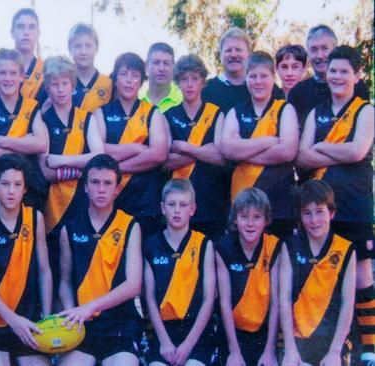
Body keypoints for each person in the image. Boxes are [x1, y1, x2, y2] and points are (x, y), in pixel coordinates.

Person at [296, 45, 375, 363]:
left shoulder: (365, 110)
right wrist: (338, 148)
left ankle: (369, 345)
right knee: (327, 275)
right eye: (333, 70)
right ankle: (336, 343)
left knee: (361, 275)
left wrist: (322, 145)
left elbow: (358, 152)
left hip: (355, 206)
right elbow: (301, 156)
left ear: (357, 75)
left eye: (345, 71)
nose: (338, 76)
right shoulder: (317, 111)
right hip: (321, 209)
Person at [57, 154, 143, 366]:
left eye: (107, 183)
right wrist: (73, 314)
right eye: (95, 182)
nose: (101, 189)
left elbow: (133, 285)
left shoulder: (130, 226)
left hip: (120, 323)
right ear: (85, 186)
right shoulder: (70, 227)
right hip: (84, 325)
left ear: (117, 189)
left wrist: (90, 307)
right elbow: (65, 282)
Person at [0, 154, 52, 366]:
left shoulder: (34, 218)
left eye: (17, 185)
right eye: (5, 184)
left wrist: (46, 319)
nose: (11, 191)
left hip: (28, 320)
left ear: (25, 189)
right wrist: (11, 319)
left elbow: (44, 270)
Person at [39, 56, 105, 299]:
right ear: (47, 87)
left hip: (82, 205)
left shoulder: (86, 118)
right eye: (54, 84)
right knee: (57, 272)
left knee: (81, 270)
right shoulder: (42, 119)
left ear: (73, 85)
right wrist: (80, 168)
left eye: (65, 83)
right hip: (53, 208)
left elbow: (98, 158)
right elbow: (45, 169)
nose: (60, 89)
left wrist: (62, 162)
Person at [221, 51, 298, 239]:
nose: (258, 81)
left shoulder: (284, 109)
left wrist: (244, 152)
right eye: (252, 76)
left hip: (278, 199)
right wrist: (269, 141)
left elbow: (287, 151)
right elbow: (228, 149)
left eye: (263, 76)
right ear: (246, 79)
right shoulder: (236, 111)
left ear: (273, 78)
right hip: (242, 199)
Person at [280, 179, 356, 366]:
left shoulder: (346, 249)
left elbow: (348, 303)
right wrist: (290, 349)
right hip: (298, 341)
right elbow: (284, 299)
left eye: (320, 212)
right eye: (307, 213)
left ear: (332, 212)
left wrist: (334, 352)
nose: (314, 221)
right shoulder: (290, 246)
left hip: (332, 341)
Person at [94, 52, 169, 236]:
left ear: (142, 81)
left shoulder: (152, 113)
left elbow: (159, 154)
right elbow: (99, 151)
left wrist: (116, 169)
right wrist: (137, 149)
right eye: (123, 74)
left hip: (146, 203)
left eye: (135, 76)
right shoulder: (100, 113)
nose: (129, 81)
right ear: (115, 78)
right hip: (112, 201)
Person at [143, 179, 216, 366]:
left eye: (183, 205)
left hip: (196, 334)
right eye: (171, 204)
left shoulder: (203, 244)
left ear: (192, 209)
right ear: (162, 207)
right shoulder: (150, 245)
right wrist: (165, 342)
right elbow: (150, 298)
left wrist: (188, 345)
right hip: (164, 332)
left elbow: (209, 298)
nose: (177, 210)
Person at [164, 54, 227, 242]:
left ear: (203, 81)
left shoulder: (216, 113)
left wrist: (184, 147)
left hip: (211, 201)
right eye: (184, 79)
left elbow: (221, 156)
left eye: (195, 78)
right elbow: (165, 162)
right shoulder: (168, 115)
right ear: (177, 82)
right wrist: (204, 151)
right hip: (178, 204)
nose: (189, 84)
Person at [0, 49, 49, 211]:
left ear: (22, 76)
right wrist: (25, 145)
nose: (8, 78)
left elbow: (41, 144)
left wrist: (2, 141)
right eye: (3, 73)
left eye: (13, 73)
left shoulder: (31, 106)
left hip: (29, 187)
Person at [215, 188, 281, 366]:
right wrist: (234, 352)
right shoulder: (223, 248)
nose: (250, 223)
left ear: (266, 220)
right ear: (235, 219)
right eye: (244, 216)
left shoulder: (274, 246)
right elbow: (225, 302)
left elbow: (276, 301)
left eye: (257, 217)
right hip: (233, 336)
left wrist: (270, 351)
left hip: (264, 335)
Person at [288, 24, 370, 125]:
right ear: (308, 53)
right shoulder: (298, 92)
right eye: (314, 49)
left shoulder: (356, 87)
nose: (319, 55)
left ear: (335, 49)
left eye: (325, 48)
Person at [202, 27, 283, 114]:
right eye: (228, 50)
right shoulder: (206, 90)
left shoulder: (267, 88)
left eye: (238, 50)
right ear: (220, 55)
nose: (233, 54)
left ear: (248, 53)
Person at [0, 8, 46, 103]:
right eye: (21, 27)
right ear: (12, 32)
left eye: (31, 27)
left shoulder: (45, 69)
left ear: (38, 33)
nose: (26, 32)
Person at [67, 23, 112, 112]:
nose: (83, 52)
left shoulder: (108, 84)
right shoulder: (62, 83)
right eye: (77, 46)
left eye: (88, 46)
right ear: (70, 49)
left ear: (97, 48)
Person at [140, 42, 183, 113]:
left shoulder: (183, 100)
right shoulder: (137, 99)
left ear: (173, 67)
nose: (161, 68)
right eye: (156, 62)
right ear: (147, 66)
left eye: (166, 63)